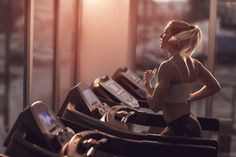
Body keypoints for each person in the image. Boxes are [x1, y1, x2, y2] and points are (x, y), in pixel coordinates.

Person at [143, 20, 221, 137]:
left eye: (165, 33)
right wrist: (189, 97)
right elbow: (214, 87)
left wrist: (147, 84)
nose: (160, 36)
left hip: (179, 128)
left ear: (173, 38)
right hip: (191, 124)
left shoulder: (167, 66)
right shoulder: (195, 64)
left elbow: (155, 106)